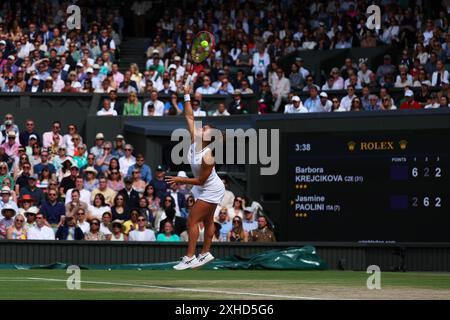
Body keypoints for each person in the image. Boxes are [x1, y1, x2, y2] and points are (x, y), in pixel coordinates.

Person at [165, 83, 225, 270]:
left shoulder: (208, 156)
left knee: (192, 220)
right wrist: (187, 95)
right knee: (207, 221)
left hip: (210, 187)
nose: (202, 126)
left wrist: (180, 180)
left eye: (205, 127)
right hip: (204, 186)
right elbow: (189, 115)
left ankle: (190, 257)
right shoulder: (194, 138)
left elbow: (200, 180)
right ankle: (205, 253)